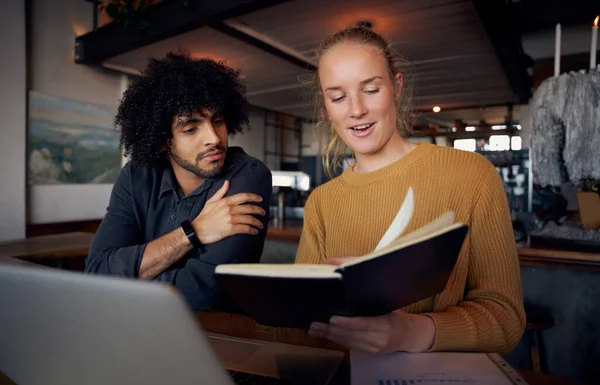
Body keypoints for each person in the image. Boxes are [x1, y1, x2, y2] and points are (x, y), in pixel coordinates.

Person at [296, 26, 526, 354]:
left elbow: (506, 319)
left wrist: (413, 332)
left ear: (397, 86)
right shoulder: (321, 201)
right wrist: (312, 298)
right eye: (338, 96)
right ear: (326, 108)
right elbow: (299, 333)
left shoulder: (471, 175)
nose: (356, 109)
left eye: (371, 89)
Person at [85, 51, 272, 311]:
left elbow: (206, 293)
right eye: (190, 129)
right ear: (162, 141)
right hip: (138, 330)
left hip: (224, 337)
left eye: (217, 121)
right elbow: (97, 271)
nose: (214, 138)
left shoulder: (248, 176)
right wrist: (192, 232)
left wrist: (127, 282)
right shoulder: (135, 177)